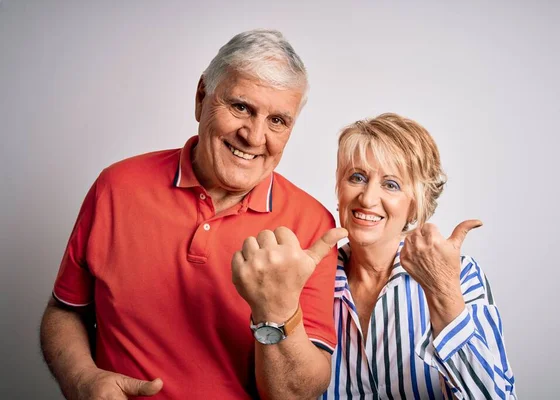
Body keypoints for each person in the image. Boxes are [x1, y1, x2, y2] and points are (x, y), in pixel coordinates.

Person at [40, 29, 346, 399]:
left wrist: (277, 311)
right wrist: (82, 379)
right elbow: (65, 310)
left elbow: (295, 394)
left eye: (278, 121)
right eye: (241, 107)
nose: (254, 136)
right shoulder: (116, 187)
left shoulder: (312, 225)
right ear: (202, 97)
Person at [320, 113, 517, 399]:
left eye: (391, 184)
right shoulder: (311, 278)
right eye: (357, 177)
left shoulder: (459, 276)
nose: (367, 198)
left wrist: (443, 293)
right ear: (339, 189)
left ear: (416, 205)